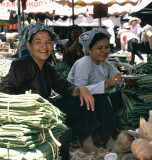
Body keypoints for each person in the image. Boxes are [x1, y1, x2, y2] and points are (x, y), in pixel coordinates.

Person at [0, 23, 94, 159]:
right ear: (29, 45)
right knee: (63, 134)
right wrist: (27, 104)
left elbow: (65, 87)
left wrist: (81, 90)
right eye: (38, 42)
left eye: (48, 42)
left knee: (78, 102)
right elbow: (4, 91)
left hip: (45, 111)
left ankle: (87, 142)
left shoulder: (48, 68)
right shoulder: (21, 65)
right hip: (27, 115)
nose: (44, 47)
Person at [67, 28, 123, 152]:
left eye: (106, 47)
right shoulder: (84, 62)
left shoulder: (105, 63)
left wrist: (125, 80)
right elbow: (78, 89)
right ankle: (88, 143)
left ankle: (107, 138)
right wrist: (106, 84)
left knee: (114, 96)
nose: (104, 51)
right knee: (99, 97)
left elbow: (119, 76)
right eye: (99, 48)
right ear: (89, 49)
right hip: (75, 103)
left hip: (95, 100)